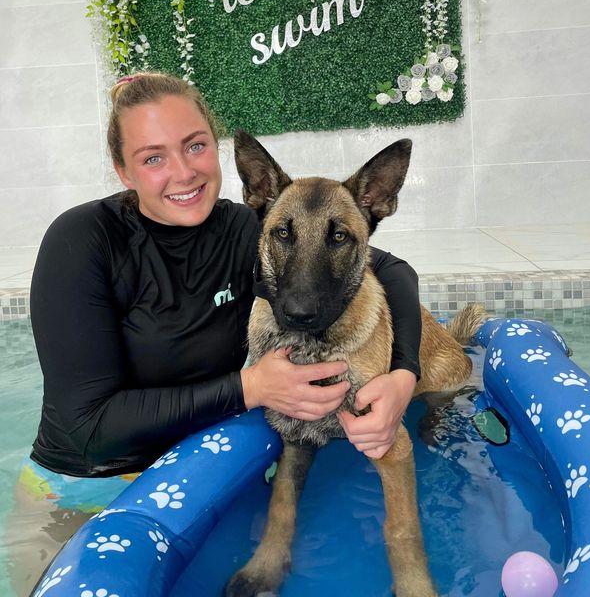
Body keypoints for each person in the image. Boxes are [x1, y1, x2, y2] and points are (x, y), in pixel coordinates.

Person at [10, 72, 422, 595]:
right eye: (153, 157)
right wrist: (251, 389)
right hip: (82, 492)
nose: (183, 173)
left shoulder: (248, 229)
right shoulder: (83, 239)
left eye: (195, 146)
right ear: (123, 169)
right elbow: (85, 426)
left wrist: (403, 376)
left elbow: (393, 272)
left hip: (204, 472)